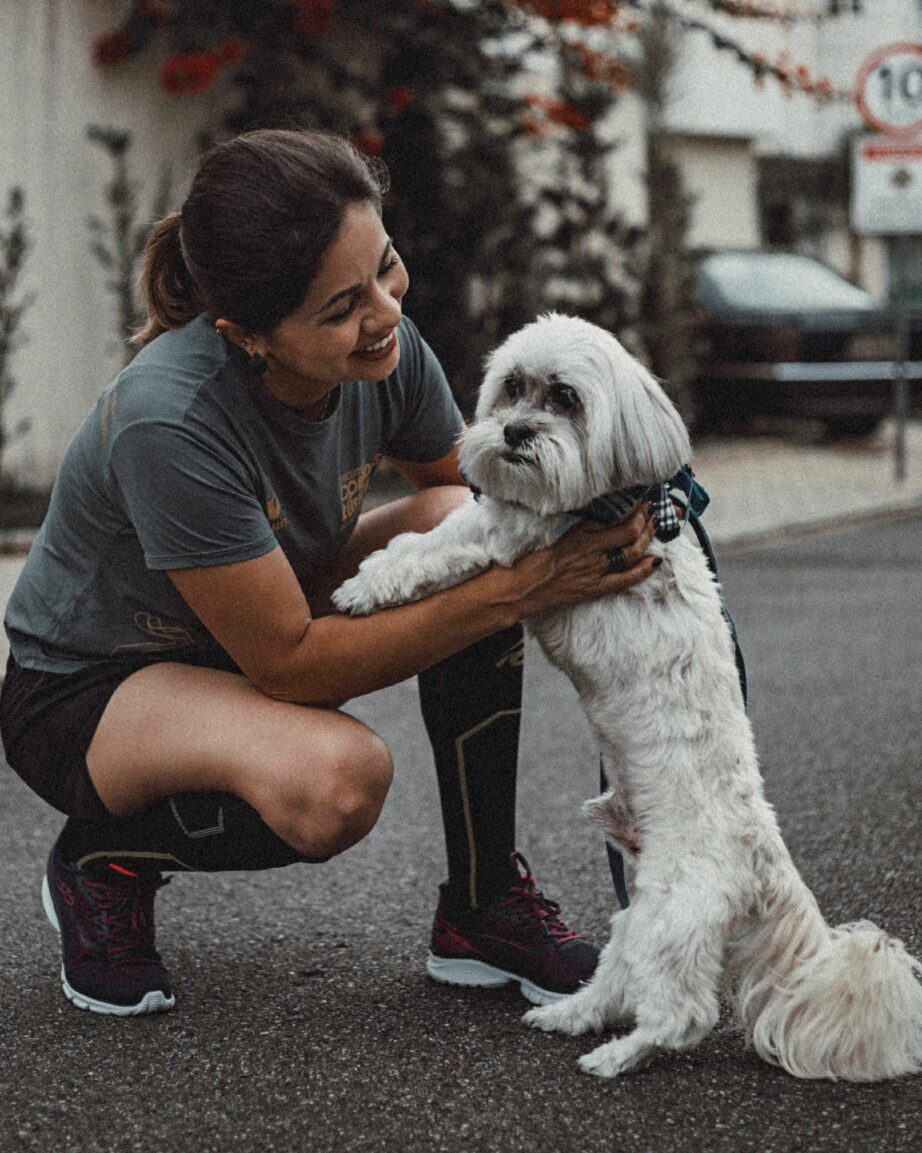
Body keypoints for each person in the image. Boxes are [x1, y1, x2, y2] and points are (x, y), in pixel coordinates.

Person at [0, 129, 660, 1017]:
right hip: (87, 688)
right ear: (249, 335)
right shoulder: (171, 418)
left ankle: (483, 903)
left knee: (464, 522)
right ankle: (103, 861)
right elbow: (292, 665)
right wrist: (524, 587)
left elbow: (460, 504)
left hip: (252, 622)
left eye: (386, 268)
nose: (385, 313)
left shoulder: (382, 344)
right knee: (336, 784)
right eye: (342, 306)